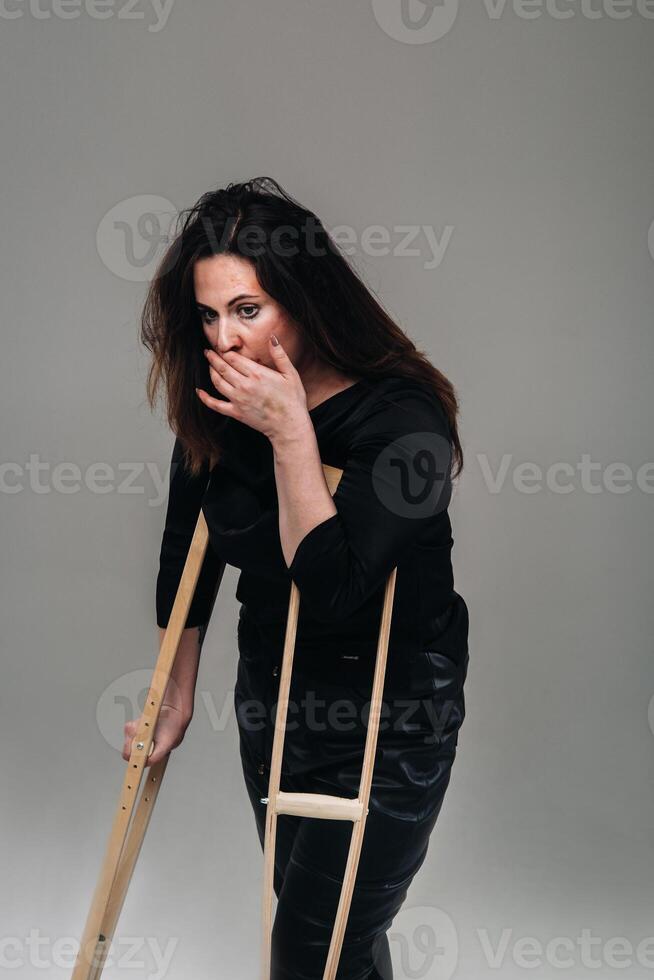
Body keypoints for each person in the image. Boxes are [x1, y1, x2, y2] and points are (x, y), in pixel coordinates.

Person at [125, 176, 470, 979]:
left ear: (304, 300)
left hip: (392, 723)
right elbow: (188, 548)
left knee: (311, 951)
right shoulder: (223, 401)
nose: (225, 339)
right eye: (208, 315)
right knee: (334, 937)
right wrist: (175, 695)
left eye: (248, 310)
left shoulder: (406, 424)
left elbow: (341, 588)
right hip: (278, 705)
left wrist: (290, 437)